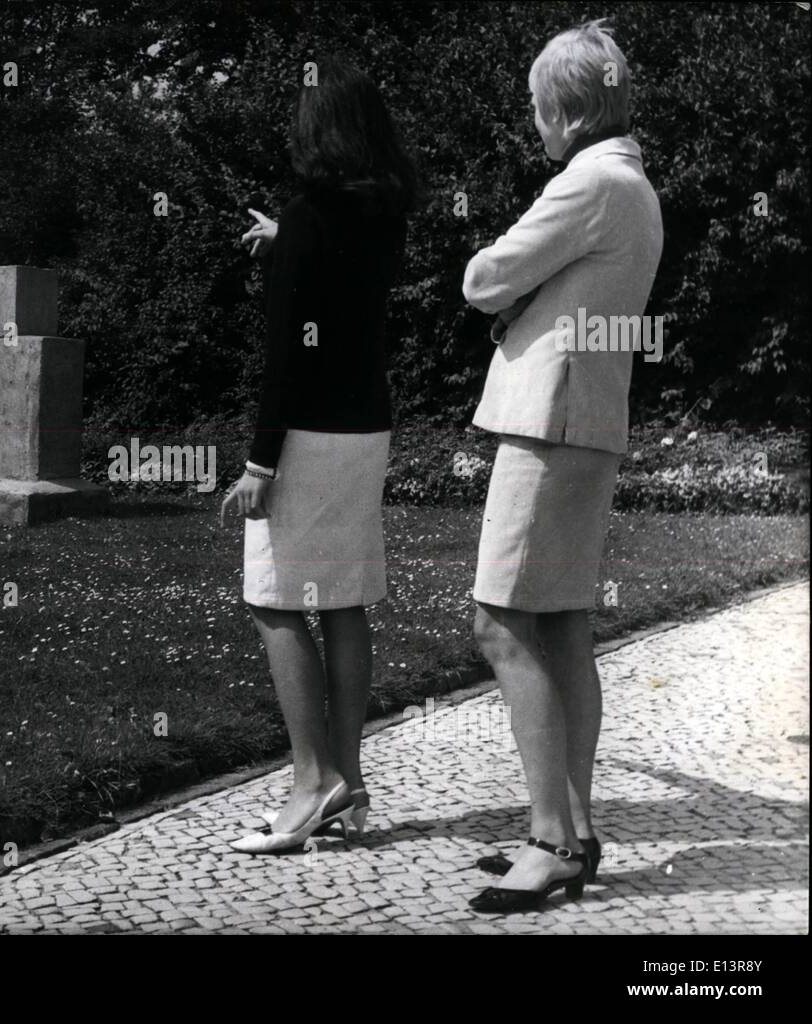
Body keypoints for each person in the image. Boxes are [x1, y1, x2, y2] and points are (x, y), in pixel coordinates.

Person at [461, 20, 663, 912]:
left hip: (548, 422)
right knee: (563, 626)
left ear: (567, 110)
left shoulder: (587, 183)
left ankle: (550, 837)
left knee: (499, 622)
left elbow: (484, 276)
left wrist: (509, 295)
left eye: (539, 107)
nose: (535, 122)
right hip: (587, 420)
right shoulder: (636, 185)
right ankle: (573, 830)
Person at [222, 57, 417, 853]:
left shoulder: (310, 217)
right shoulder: (386, 210)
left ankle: (311, 783)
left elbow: (285, 357)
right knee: (341, 601)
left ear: (316, 129)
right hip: (366, 427)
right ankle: (351, 780)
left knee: (272, 599)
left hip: (304, 437)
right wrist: (287, 238)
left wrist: (260, 464)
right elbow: (341, 292)